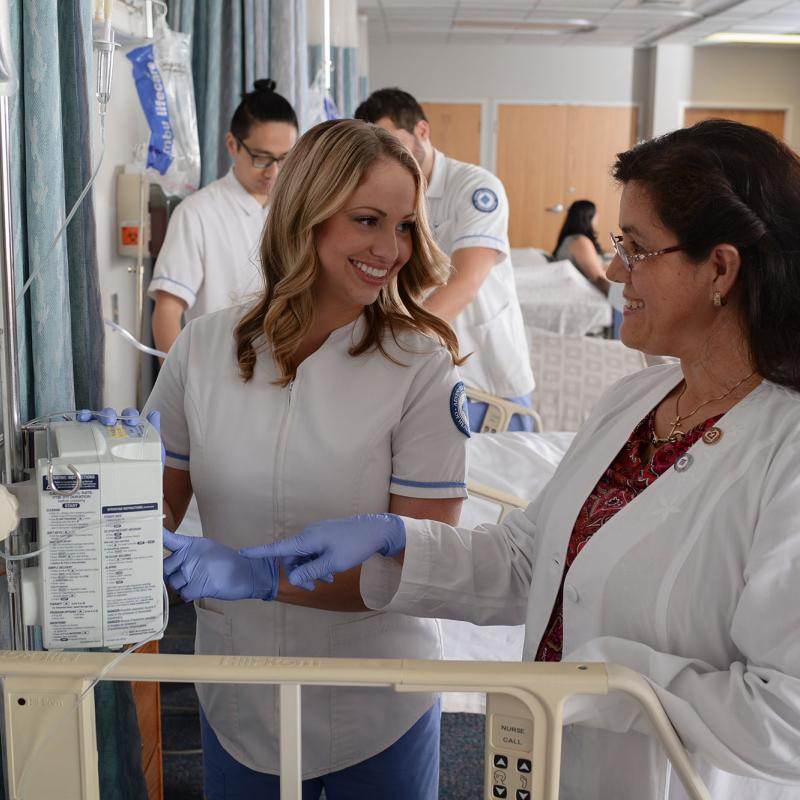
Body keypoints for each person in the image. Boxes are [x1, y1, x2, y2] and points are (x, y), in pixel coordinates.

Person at [253, 120, 800, 799]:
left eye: (636, 248)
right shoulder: (637, 401)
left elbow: (787, 717)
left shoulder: (786, 451)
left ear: (720, 268)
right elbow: (526, 560)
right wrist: (399, 543)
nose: (613, 270)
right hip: (554, 768)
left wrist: (602, 680)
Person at [146, 119, 470, 799]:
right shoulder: (202, 350)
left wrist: (259, 575)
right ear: (305, 215)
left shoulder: (420, 367)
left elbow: (422, 561)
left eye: (405, 226)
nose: (391, 249)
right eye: (367, 221)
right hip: (240, 691)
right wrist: (106, 480)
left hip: (379, 700)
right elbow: (158, 509)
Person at [354, 88, 536, 432]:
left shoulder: (474, 188)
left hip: (488, 378)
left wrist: (399, 347)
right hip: (431, 372)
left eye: (393, 142)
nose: (385, 157)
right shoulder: (389, 196)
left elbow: (465, 282)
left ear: (422, 131)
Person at [149, 79, 298, 355]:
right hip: (217, 371)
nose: (274, 172)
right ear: (232, 144)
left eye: (284, 159)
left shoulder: (298, 213)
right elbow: (167, 311)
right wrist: (181, 379)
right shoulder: (197, 214)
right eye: (261, 158)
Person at [552, 199, 611, 295]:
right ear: (588, 217)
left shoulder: (570, 239)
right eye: (596, 214)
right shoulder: (580, 242)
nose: (598, 217)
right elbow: (599, 278)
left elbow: (596, 268)